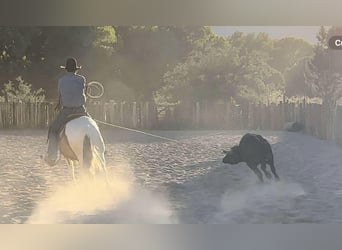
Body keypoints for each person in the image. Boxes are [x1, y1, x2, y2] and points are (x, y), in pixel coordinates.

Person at [44, 57, 89, 166]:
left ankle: (52, 157)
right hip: (81, 110)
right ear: (76, 69)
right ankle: (101, 149)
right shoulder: (82, 79)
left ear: (66, 69)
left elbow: (61, 97)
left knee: (54, 130)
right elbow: (83, 93)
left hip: (67, 111)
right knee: (94, 126)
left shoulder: (61, 81)